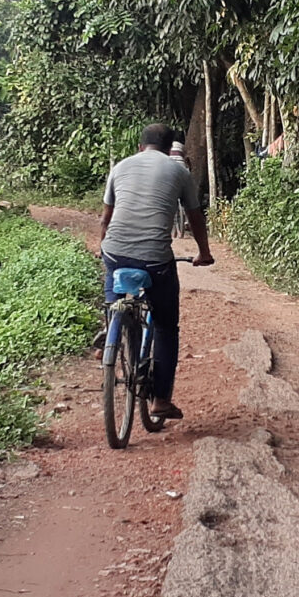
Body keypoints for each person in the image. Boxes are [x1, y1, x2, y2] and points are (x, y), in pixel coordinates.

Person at [101, 123, 214, 420]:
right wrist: (204, 252)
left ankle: (109, 328)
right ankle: (161, 400)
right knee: (165, 326)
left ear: (140, 147)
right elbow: (195, 217)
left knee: (114, 295)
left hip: (114, 250)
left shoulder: (120, 167)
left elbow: (105, 218)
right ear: (169, 149)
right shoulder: (179, 171)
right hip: (155, 260)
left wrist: (105, 251)